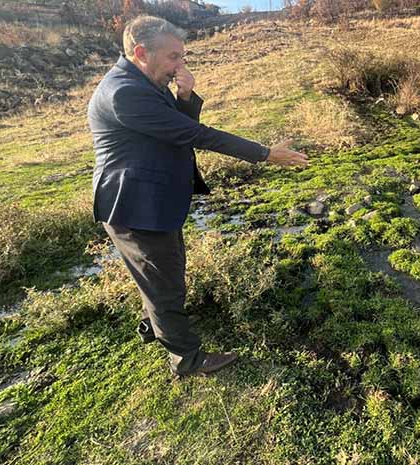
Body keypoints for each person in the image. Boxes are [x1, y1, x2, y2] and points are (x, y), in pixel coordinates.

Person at [87, 15, 308, 377]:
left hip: (150, 200)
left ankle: (156, 325)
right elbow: (193, 134)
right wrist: (266, 154)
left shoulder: (141, 79)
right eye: (174, 57)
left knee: (164, 273)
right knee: (165, 284)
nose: (180, 66)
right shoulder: (123, 92)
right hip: (132, 203)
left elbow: (170, 125)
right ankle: (186, 360)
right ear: (142, 52)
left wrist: (185, 96)